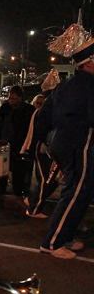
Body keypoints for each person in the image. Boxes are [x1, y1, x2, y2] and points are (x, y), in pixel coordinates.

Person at [31, 24, 94, 259]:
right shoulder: (87, 85)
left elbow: (43, 117)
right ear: (88, 62)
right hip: (80, 141)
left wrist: (46, 139)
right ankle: (53, 242)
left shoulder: (65, 86)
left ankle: (64, 236)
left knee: (82, 191)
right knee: (77, 191)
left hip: (63, 140)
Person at [25, 70, 60, 218]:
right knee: (47, 180)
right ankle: (34, 208)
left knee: (50, 180)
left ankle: (33, 200)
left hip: (48, 148)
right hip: (44, 149)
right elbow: (40, 131)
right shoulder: (47, 108)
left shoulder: (51, 107)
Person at [0, 85, 34, 198]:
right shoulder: (5, 108)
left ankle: (19, 191)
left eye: (14, 99)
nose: (11, 101)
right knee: (2, 170)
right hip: (4, 143)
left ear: (20, 98)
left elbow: (26, 130)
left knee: (18, 171)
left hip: (18, 145)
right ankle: (0, 190)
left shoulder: (27, 111)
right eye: (10, 98)